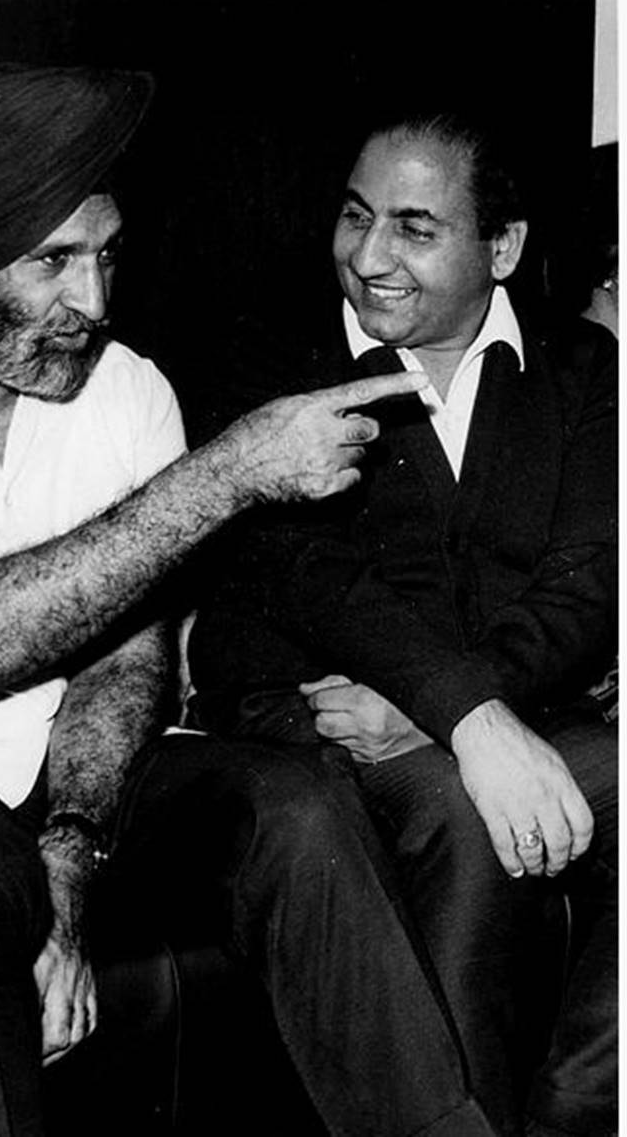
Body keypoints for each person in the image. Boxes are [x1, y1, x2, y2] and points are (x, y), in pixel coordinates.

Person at [0, 65, 425, 1137]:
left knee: (290, 802)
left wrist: (68, 851)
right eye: (54, 262)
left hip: (63, 784)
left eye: (105, 256)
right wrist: (227, 472)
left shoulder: (126, 388)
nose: (95, 303)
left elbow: (126, 653)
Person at [182, 111, 617, 1137]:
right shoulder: (265, 358)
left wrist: (453, 711)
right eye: (355, 216)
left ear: (501, 248)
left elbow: (588, 583)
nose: (369, 256)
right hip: (310, 711)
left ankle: (570, 1114)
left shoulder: (582, 366)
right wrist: (465, 719)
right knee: (468, 809)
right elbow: (310, 577)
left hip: (486, 707)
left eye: (414, 228)